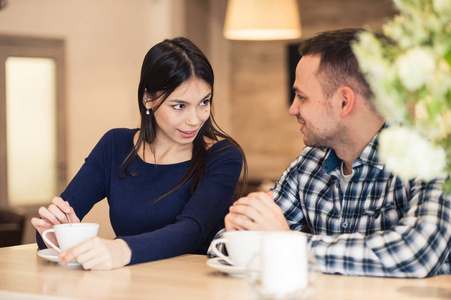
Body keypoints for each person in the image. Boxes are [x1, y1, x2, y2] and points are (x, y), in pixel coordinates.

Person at [220, 28, 451, 278]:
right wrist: (240, 233)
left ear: (344, 102)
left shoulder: (431, 158)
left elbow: (415, 255)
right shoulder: (309, 163)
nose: (292, 109)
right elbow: (225, 243)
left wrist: (287, 244)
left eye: (301, 97)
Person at [32, 37, 247, 270]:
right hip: (128, 287)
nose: (195, 119)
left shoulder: (222, 156)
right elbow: (54, 228)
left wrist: (121, 249)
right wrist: (59, 233)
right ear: (148, 98)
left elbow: (191, 231)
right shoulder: (115, 146)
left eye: (204, 102)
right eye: (179, 106)